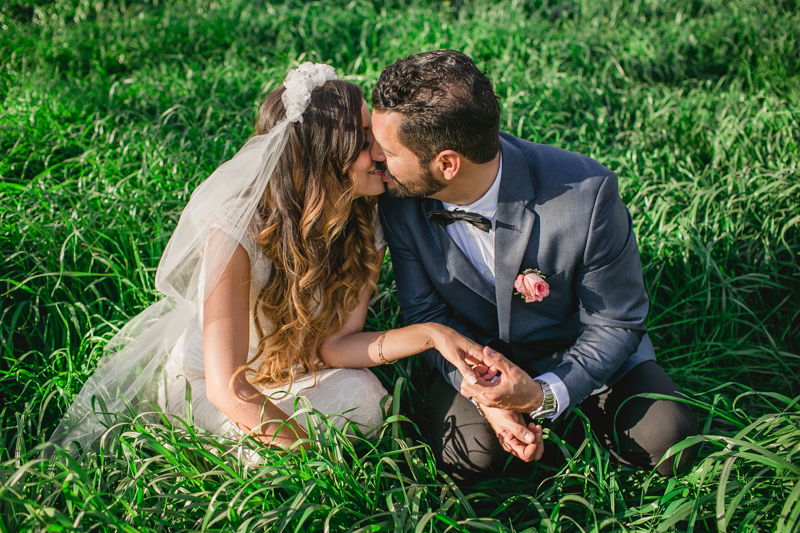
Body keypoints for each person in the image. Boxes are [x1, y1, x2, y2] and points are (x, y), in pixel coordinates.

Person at [52, 62, 506, 453]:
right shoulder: (237, 233)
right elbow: (226, 387)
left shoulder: (366, 221)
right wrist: (308, 455)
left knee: (367, 401)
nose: (381, 152)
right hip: (210, 387)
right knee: (269, 455)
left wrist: (430, 333)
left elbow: (334, 347)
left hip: (299, 372)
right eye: (364, 138)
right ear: (325, 155)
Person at [371, 50, 699, 483]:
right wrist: (486, 395)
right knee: (464, 458)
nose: (374, 156)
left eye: (388, 150)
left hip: (580, 353)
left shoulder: (587, 194)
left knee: (671, 441)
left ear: (447, 163)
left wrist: (542, 394)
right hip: (478, 357)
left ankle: (572, 422)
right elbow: (426, 315)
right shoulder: (399, 200)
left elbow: (617, 321)